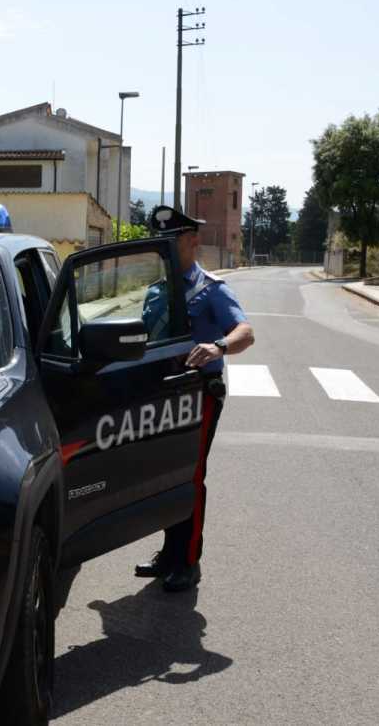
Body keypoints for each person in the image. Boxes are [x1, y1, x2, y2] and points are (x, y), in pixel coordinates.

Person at [136, 205, 254, 592]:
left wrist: (218, 346)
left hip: (197, 394)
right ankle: (169, 554)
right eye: (159, 241)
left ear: (191, 240)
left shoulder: (212, 289)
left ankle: (188, 560)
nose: (163, 247)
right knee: (163, 474)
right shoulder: (155, 291)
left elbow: (245, 332)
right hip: (161, 394)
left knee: (189, 474)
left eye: (170, 240)